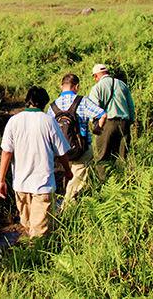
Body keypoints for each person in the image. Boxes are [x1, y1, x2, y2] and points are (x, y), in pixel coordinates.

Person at [0, 87, 73, 239]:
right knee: (38, 229)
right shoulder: (49, 121)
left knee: (27, 224)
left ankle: (31, 249)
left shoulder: (14, 121)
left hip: (21, 184)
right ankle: (36, 251)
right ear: (44, 103)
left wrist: (1, 180)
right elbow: (61, 152)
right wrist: (68, 170)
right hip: (43, 184)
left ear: (27, 101)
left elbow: (6, 152)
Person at [47, 73, 107, 206]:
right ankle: (68, 206)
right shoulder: (82, 101)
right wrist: (98, 129)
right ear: (77, 86)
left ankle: (60, 202)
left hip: (61, 151)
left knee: (67, 176)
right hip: (81, 148)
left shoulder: (53, 106)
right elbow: (102, 114)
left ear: (61, 86)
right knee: (77, 180)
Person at [89, 64, 135, 181]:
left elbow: (94, 111)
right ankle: (121, 182)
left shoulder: (97, 88)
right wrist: (129, 123)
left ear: (96, 76)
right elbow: (130, 106)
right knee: (122, 158)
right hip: (124, 124)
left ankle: (105, 184)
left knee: (103, 158)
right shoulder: (122, 85)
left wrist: (97, 126)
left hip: (107, 124)